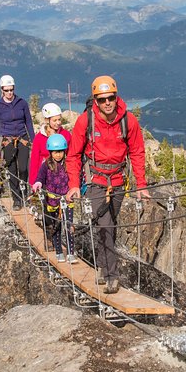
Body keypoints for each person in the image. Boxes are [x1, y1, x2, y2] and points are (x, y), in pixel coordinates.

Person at [66, 75, 150, 294]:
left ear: (116, 96)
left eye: (110, 98)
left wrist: (141, 184)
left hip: (119, 181)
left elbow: (137, 152)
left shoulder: (128, 120)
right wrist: (74, 184)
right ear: (95, 100)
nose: (107, 103)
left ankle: (103, 267)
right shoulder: (86, 121)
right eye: (102, 99)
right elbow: (73, 154)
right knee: (105, 226)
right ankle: (112, 276)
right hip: (95, 181)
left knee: (109, 226)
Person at [0, 74, 35, 211]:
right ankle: (16, 199)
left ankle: (25, 195)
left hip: (22, 139)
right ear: (2, 90)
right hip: (7, 141)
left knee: (24, 168)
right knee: (12, 171)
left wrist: (33, 141)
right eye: (7, 90)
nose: (9, 93)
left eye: (11, 90)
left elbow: (29, 122)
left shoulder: (22, 103)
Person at [32, 134, 77, 263]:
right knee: (56, 226)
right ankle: (58, 251)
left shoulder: (68, 164)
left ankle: (70, 253)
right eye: (55, 152)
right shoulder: (46, 165)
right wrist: (38, 183)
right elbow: (40, 177)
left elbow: (75, 176)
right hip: (52, 201)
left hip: (67, 200)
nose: (58, 155)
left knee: (69, 225)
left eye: (61, 152)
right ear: (51, 152)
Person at [29, 102, 71, 184]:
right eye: (54, 120)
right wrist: (33, 182)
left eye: (59, 119)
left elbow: (71, 155)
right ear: (47, 120)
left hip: (62, 175)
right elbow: (34, 161)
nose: (58, 123)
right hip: (45, 175)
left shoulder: (66, 135)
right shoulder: (39, 138)